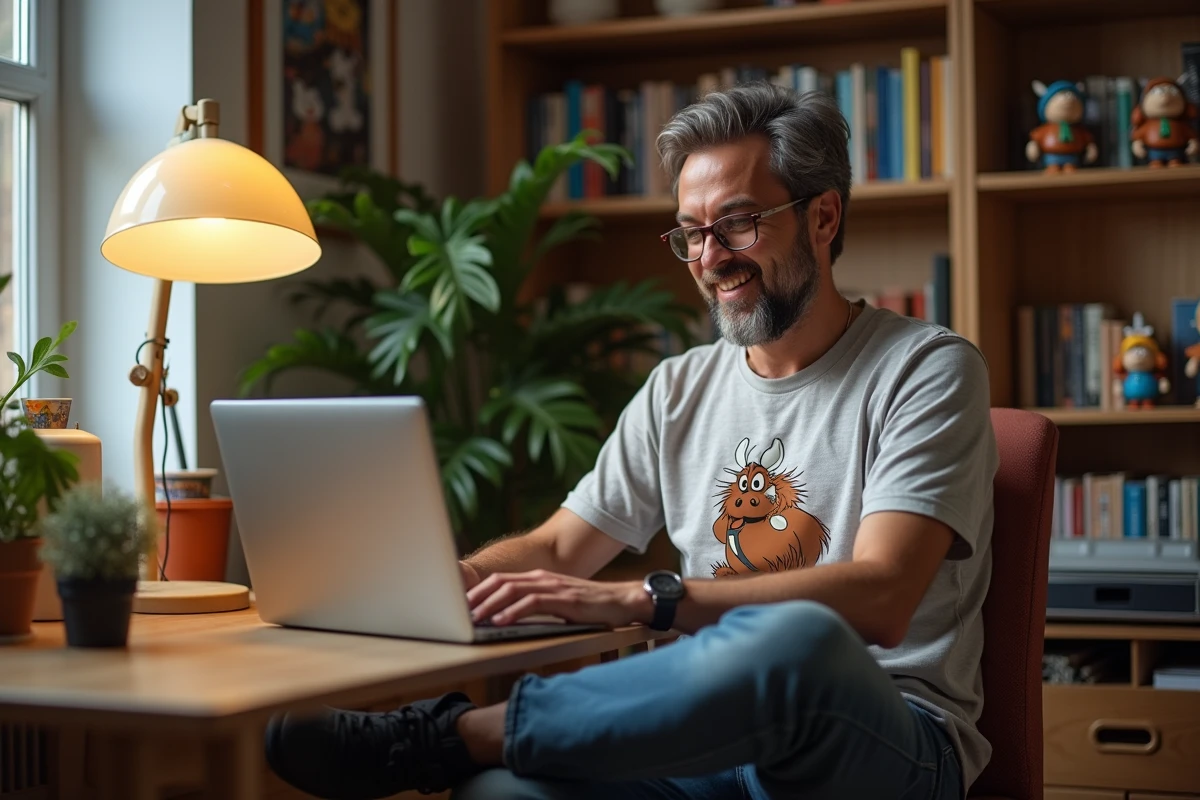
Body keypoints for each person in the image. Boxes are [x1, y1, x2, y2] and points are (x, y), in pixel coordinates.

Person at [263, 82, 999, 800]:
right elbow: (556, 551)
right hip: (708, 744)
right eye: (692, 233)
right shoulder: (679, 389)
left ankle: (442, 738)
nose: (710, 259)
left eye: (738, 224)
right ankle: (465, 749)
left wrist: (641, 599)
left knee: (795, 640)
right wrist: (446, 583)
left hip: (886, 739)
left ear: (824, 218)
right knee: (499, 792)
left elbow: (884, 594)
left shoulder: (926, 369)